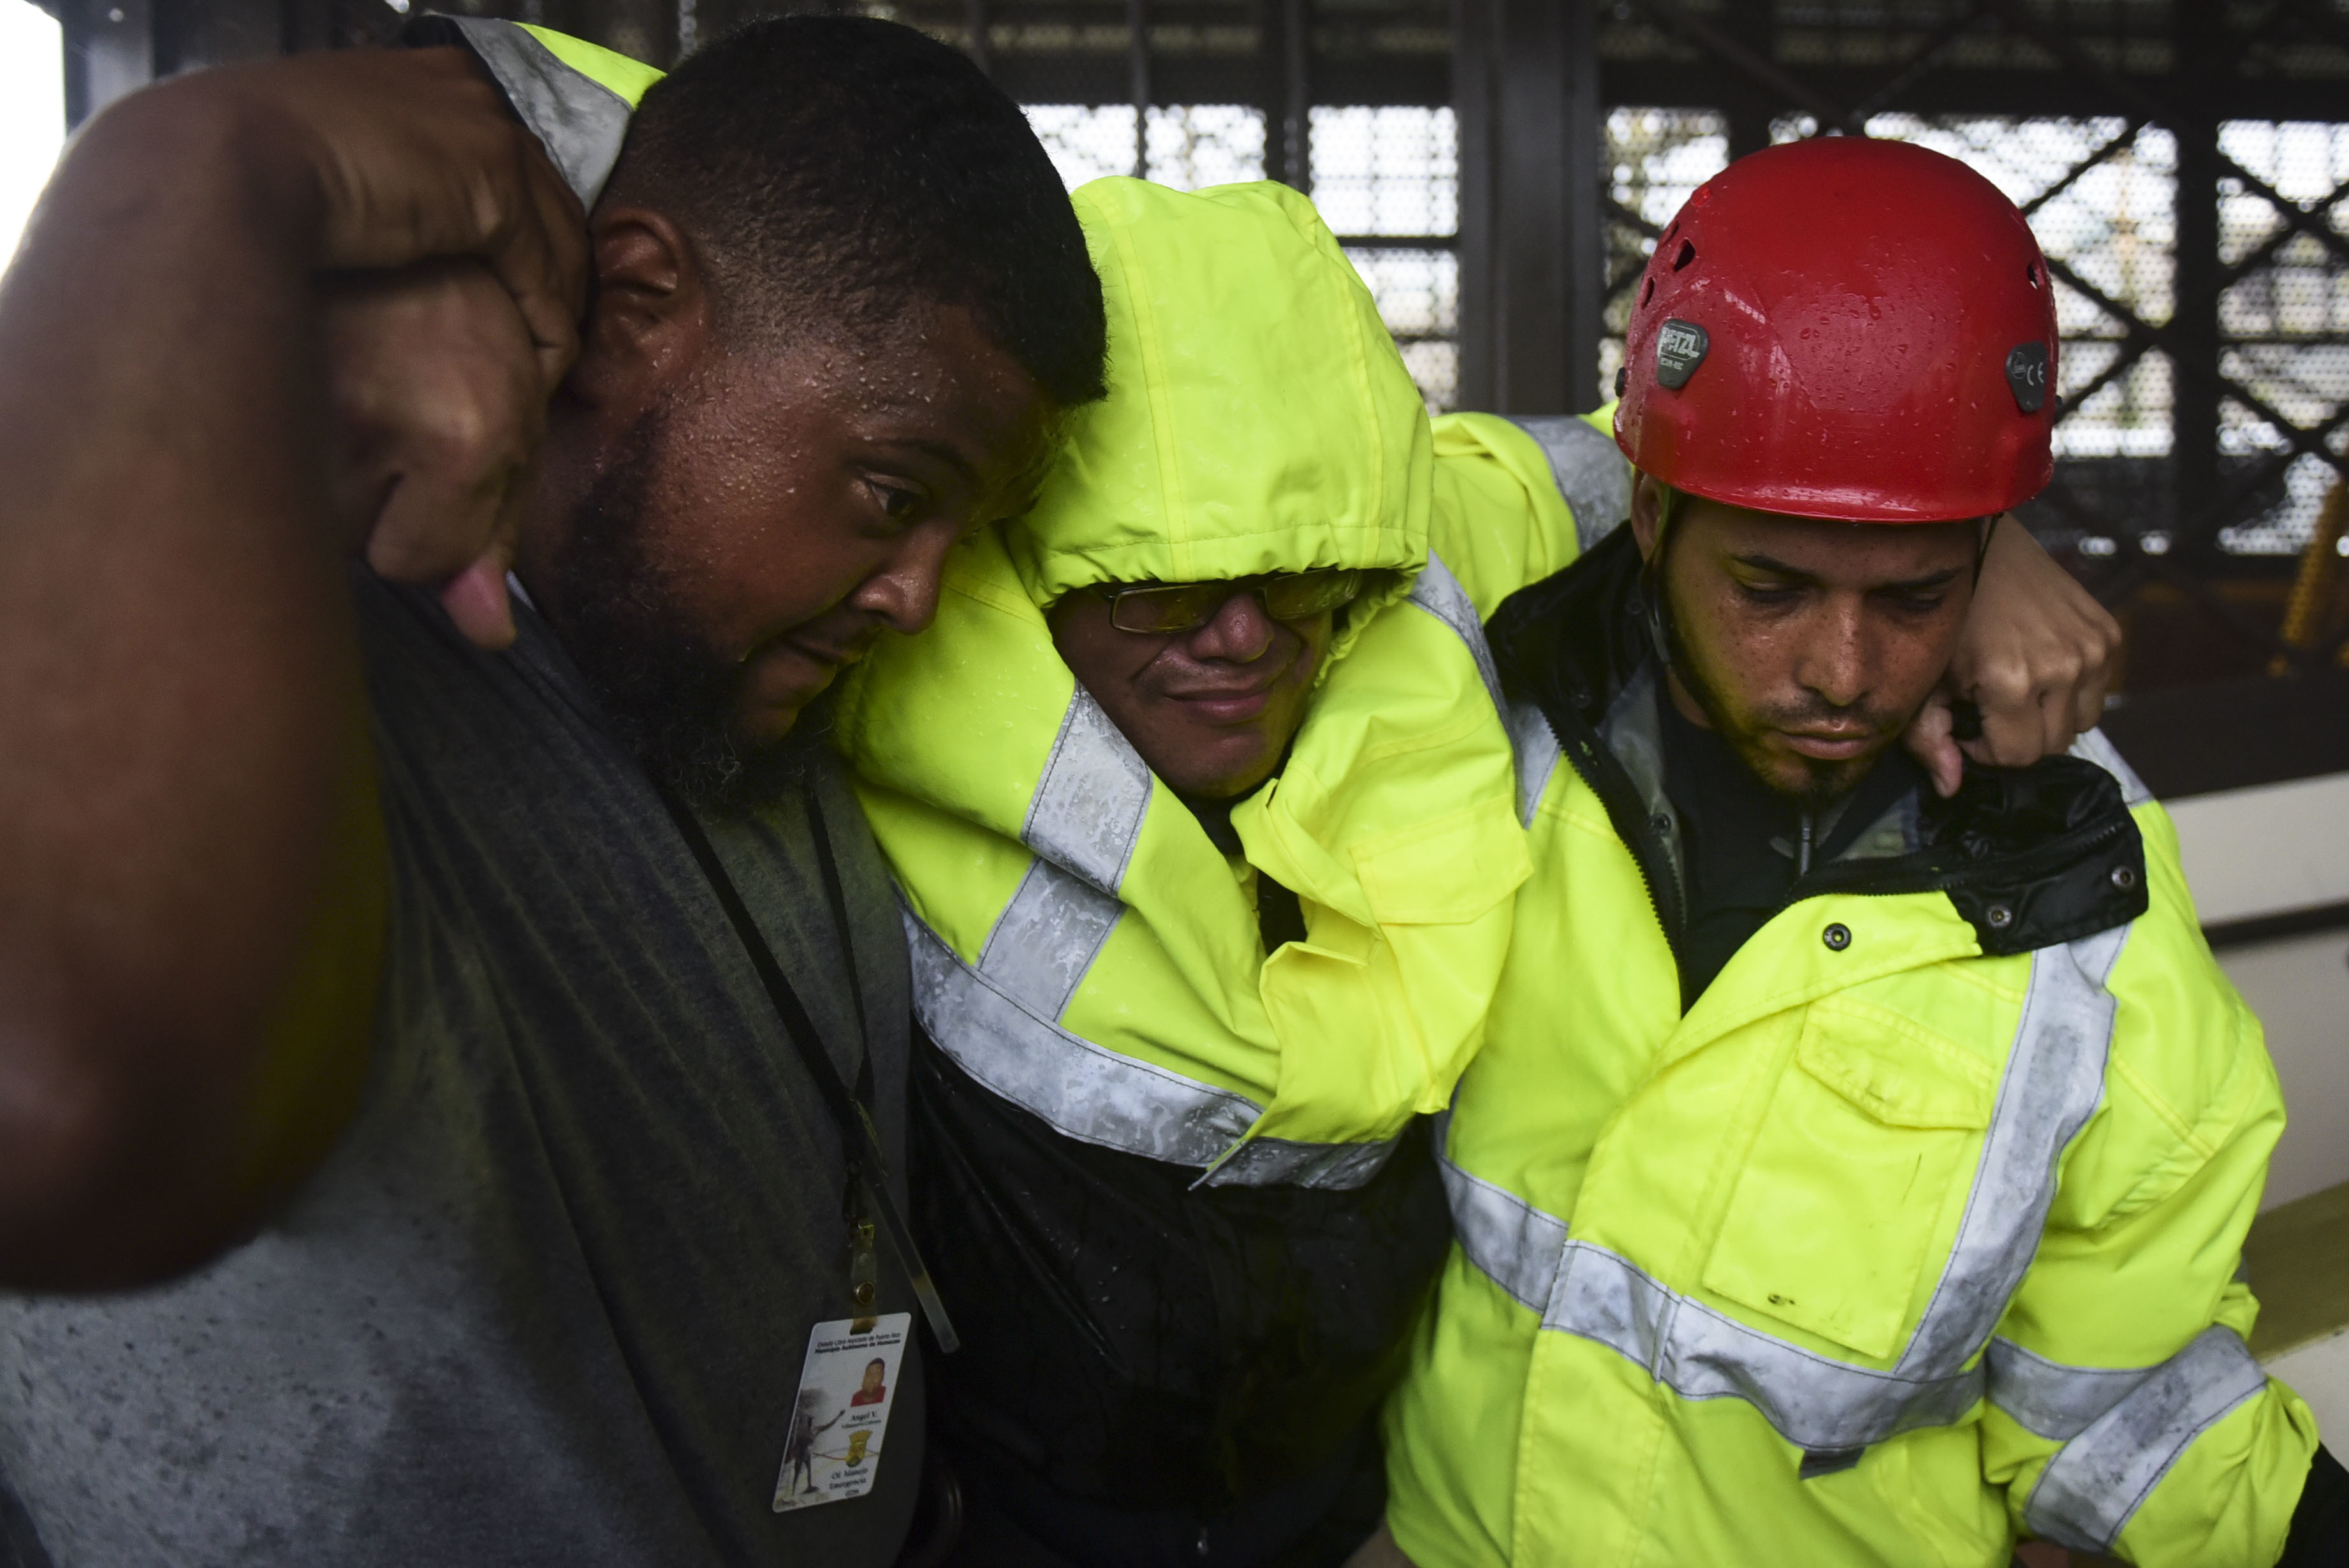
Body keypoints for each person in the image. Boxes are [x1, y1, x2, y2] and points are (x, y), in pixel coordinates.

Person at [826, 175, 2122, 1568]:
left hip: (1356, 1522)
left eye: (1306, 569)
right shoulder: (875, 658)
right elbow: (697, 197)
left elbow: (1673, 470)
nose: (1245, 639)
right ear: (1019, 551)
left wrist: (1982, 544)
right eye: (1159, 584)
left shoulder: (1424, 583)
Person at [0, 18, 1103, 1568]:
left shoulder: (740, 689)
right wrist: (177, 180)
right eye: (895, 492)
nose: (920, 597)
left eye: (962, 536)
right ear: (639, 302)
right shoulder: (290, 668)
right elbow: (73, 1117)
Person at [1375, 136, 2349, 1568]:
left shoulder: (2079, 902)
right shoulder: (1505, 699)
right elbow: (1319, 496)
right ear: (1649, 516)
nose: (1841, 670)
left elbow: (2121, 1393)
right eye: (1770, 586)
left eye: (1912, 597)